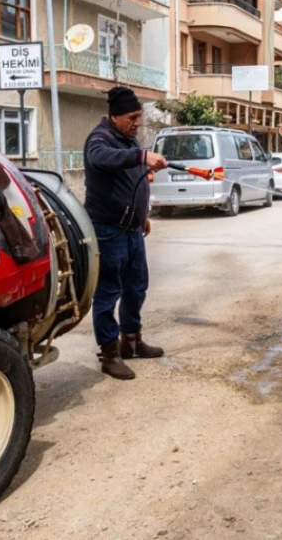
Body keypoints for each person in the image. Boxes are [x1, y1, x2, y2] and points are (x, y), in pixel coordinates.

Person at [83, 86, 169, 380]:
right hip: (108, 231)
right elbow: (101, 159)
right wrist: (142, 157)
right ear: (115, 116)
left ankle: (131, 342)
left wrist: (142, 215)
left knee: (136, 287)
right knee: (109, 292)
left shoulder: (128, 140)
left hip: (132, 228)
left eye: (139, 116)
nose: (137, 122)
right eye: (132, 117)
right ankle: (109, 354)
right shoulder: (100, 139)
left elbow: (133, 177)